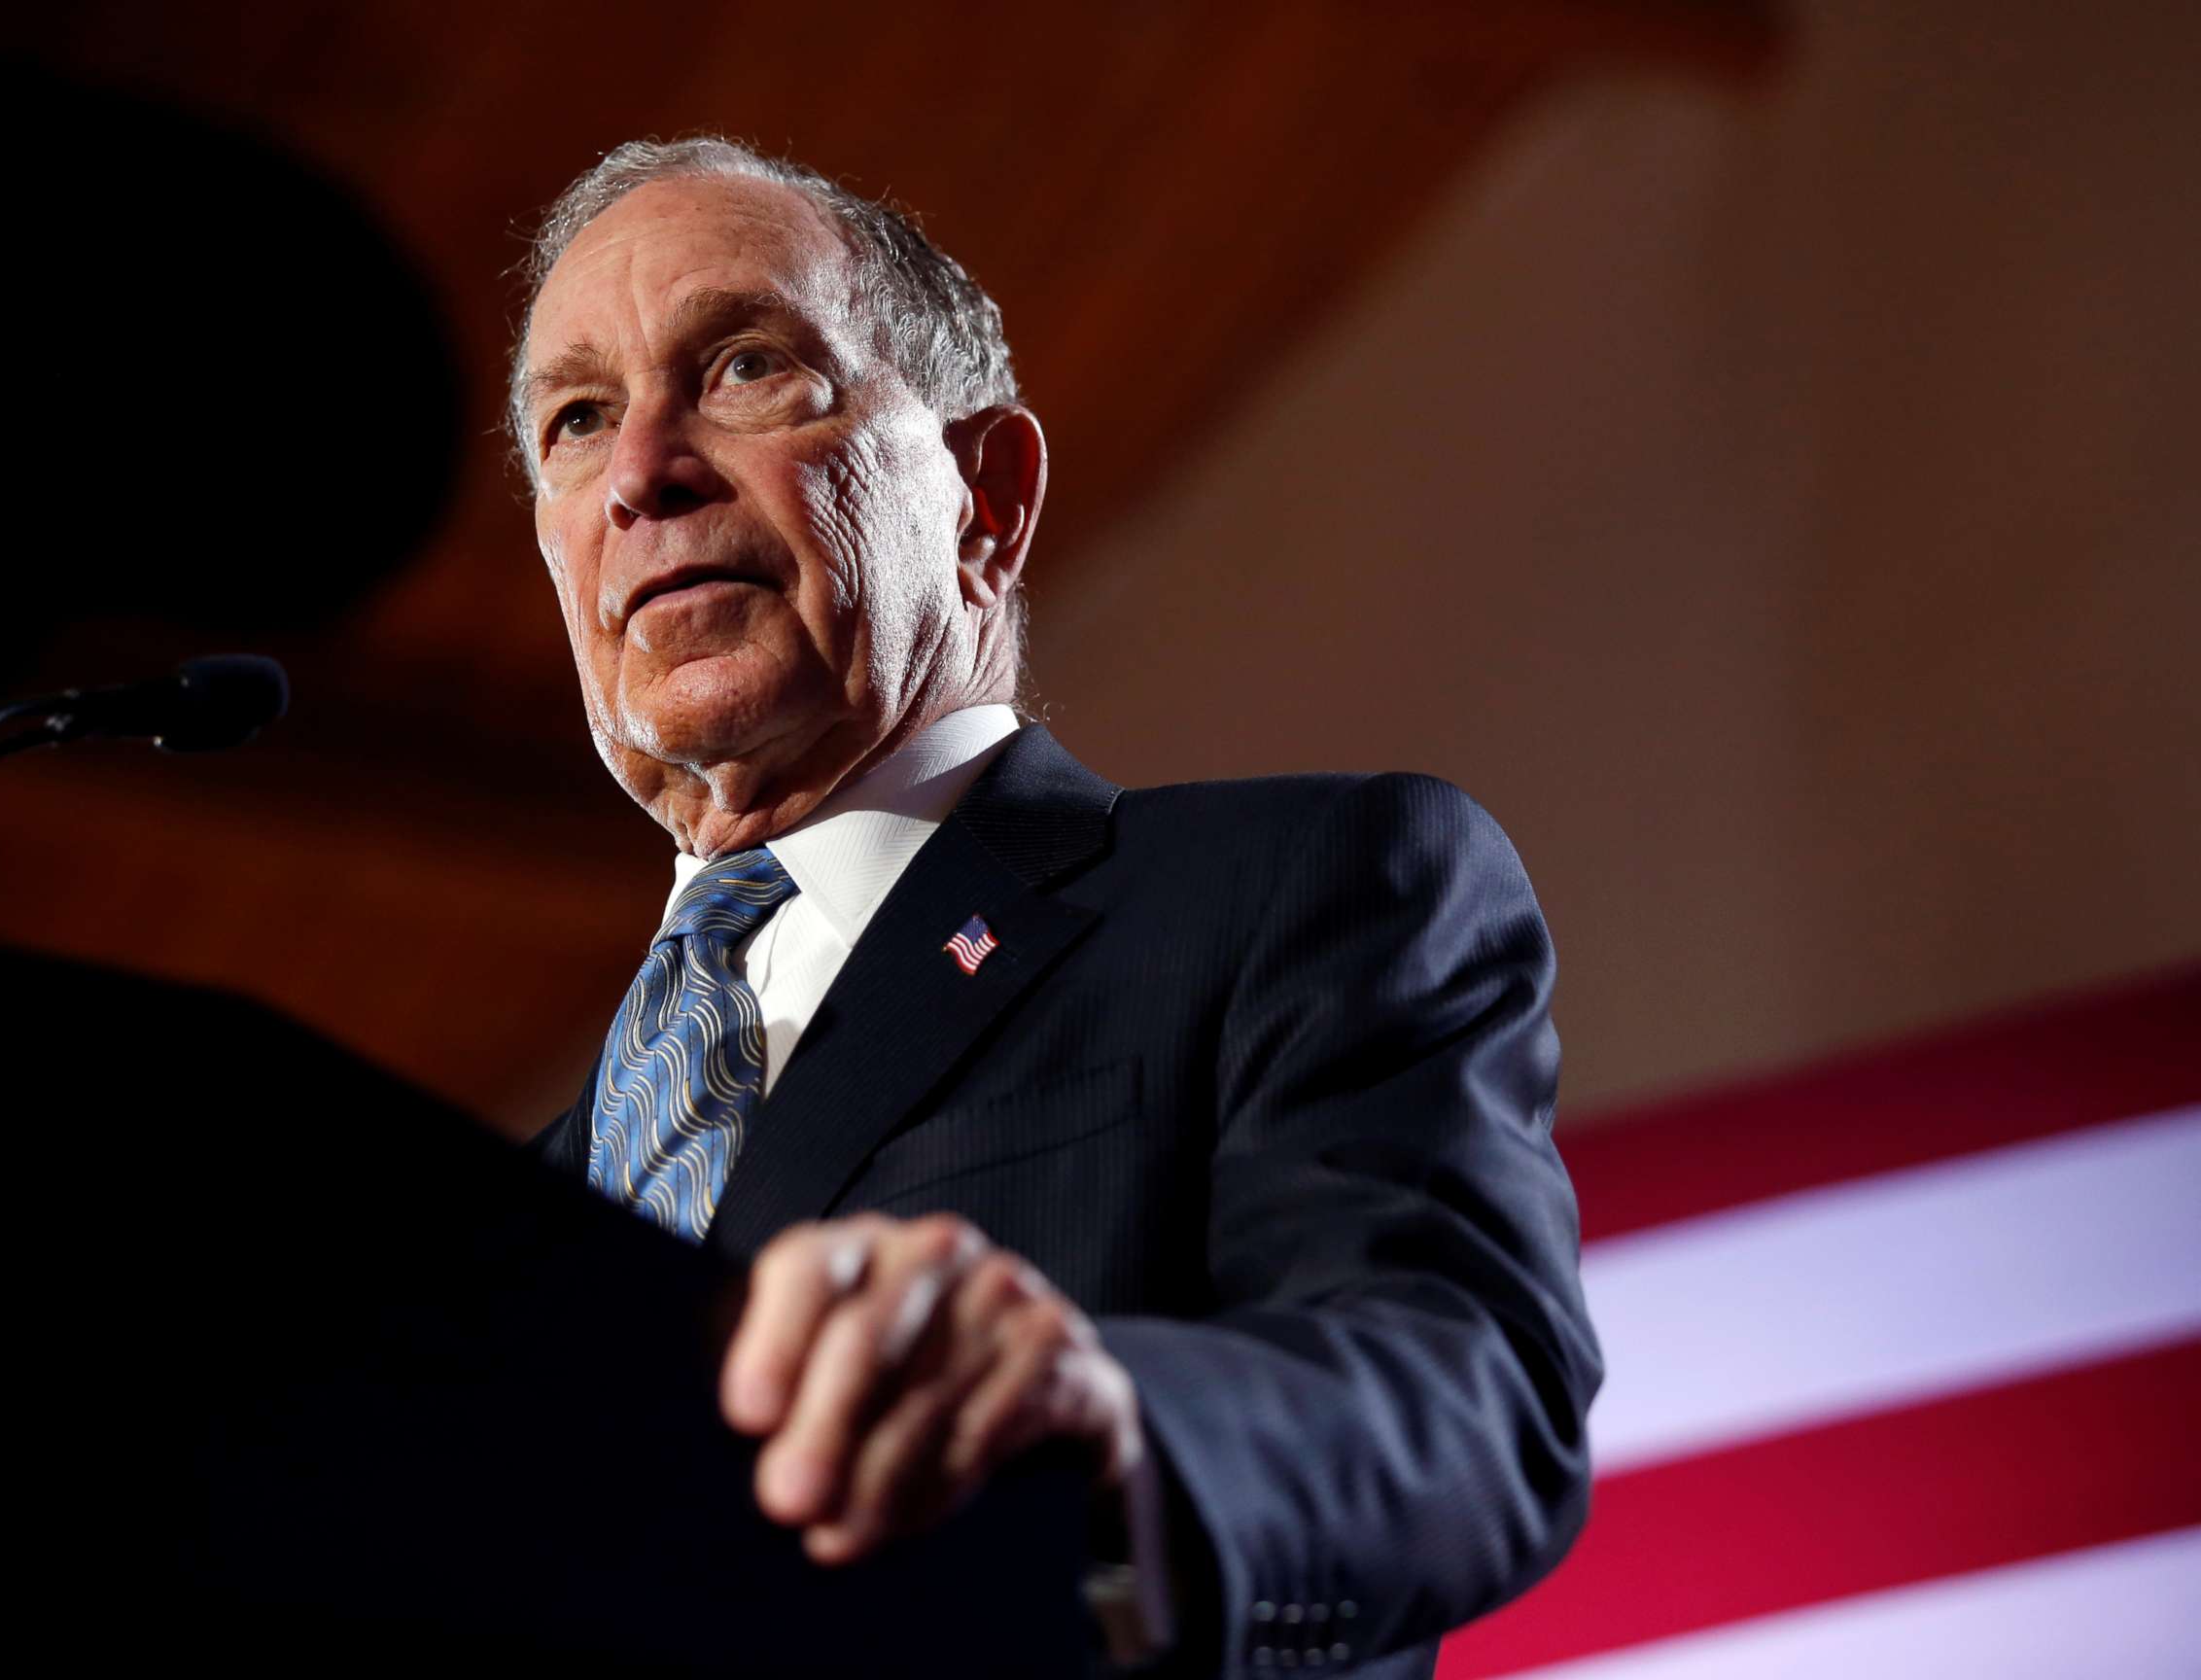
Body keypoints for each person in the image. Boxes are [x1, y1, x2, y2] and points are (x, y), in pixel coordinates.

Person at [511, 137, 1601, 1679]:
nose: (641, 472)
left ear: (983, 497)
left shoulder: (1295, 891)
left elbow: (1470, 1400)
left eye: (747, 366)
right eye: (577, 419)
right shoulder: (518, 1207)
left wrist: (1116, 1423)